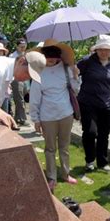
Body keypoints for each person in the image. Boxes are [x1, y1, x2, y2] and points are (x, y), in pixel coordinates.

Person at [29, 39, 80, 192]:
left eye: (53, 56)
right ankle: (52, 177)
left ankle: (66, 173)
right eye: (47, 56)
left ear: (59, 56)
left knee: (64, 146)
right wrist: (35, 119)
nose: (51, 59)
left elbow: (76, 90)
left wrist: (76, 76)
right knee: (50, 148)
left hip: (66, 114)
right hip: (47, 117)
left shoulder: (67, 69)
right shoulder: (38, 72)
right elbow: (34, 98)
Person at [77, 35, 110, 172]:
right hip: (87, 103)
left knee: (104, 134)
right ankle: (89, 160)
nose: (104, 52)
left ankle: (102, 162)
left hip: (105, 104)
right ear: (96, 49)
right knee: (90, 132)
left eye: (107, 49)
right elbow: (73, 74)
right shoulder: (87, 61)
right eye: (101, 49)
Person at [10, 38, 29, 126]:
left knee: (21, 99)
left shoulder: (27, 55)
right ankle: (22, 119)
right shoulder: (12, 56)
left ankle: (18, 118)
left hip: (25, 79)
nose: (22, 48)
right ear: (17, 47)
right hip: (16, 79)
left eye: (24, 46)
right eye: (21, 46)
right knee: (19, 100)